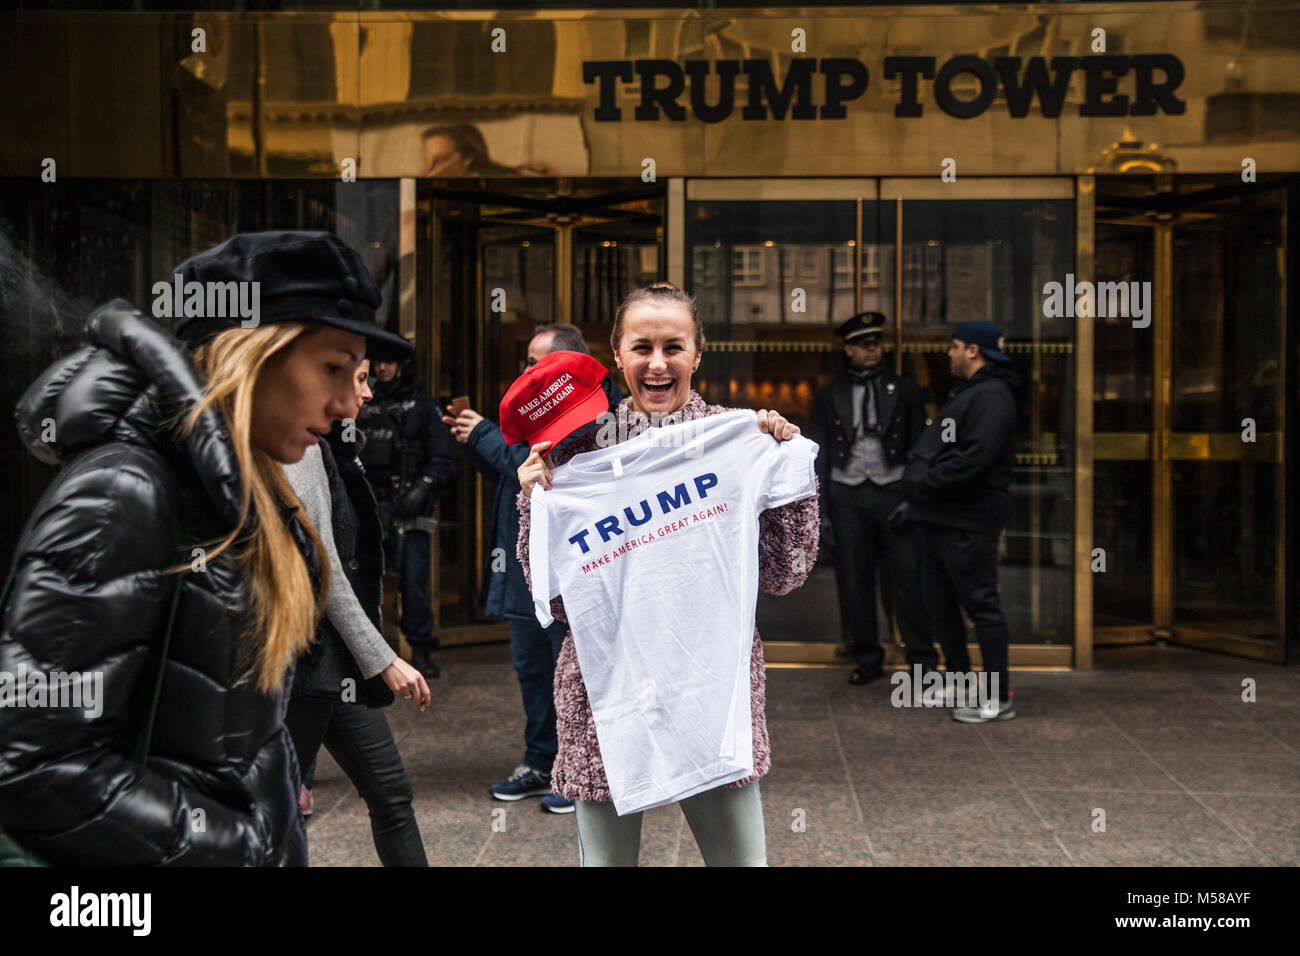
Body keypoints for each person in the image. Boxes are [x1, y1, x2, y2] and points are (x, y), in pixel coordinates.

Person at [0, 229, 402, 865]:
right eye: (332, 367)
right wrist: (236, 849)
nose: (351, 401)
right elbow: (31, 766)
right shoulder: (123, 492)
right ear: (251, 354)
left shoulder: (245, 490)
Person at [515, 282, 819, 866]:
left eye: (673, 347)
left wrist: (785, 476)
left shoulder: (740, 438)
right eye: (642, 347)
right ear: (618, 355)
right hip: (608, 693)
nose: (658, 364)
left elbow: (786, 573)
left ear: (698, 354)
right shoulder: (575, 455)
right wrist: (536, 502)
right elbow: (553, 602)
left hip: (711, 690)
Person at [443, 323, 621, 814]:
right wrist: (476, 442)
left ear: (563, 367)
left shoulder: (599, 411)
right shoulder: (530, 411)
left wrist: (481, 433)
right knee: (532, 669)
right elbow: (512, 474)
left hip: (572, 572)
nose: (524, 372)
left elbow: (544, 466)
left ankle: (578, 768)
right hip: (524, 570)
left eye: (533, 362)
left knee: (575, 672)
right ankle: (540, 762)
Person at [284, 357, 432, 865]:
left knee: (391, 793)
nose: (369, 394)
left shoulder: (331, 444)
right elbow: (324, 570)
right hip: (302, 666)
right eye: (361, 380)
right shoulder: (298, 450)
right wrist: (384, 658)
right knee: (274, 813)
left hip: (336, 663)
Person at [897, 320, 1021, 722]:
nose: (948, 353)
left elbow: (977, 458)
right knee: (940, 603)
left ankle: (998, 695)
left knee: (981, 604)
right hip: (939, 515)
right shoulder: (972, 392)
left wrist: (926, 482)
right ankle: (961, 678)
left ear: (973, 350)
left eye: (953, 346)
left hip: (967, 517)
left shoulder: (994, 395)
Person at [810, 312, 934, 685]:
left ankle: (923, 660)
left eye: (876, 343)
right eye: (865, 344)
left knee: (907, 580)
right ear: (848, 350)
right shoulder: (829, 394)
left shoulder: (906, 390)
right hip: (847, 494)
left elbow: (919, 449)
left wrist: (911, 497)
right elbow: (822, 453)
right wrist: (822, 508)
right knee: (854, 579)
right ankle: (867, 657)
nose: (872, 349)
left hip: (892, 492)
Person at [357, 357, 456, 678]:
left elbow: (443, 461)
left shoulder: (422, 407)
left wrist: (421, 489)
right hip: (368, 502)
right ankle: (367, 653)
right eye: (378, 366)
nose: (383, 370)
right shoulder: (362, 401)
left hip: (408, 506)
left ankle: (420, 648)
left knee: (413, 581)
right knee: (363, 578)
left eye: (388, 365)